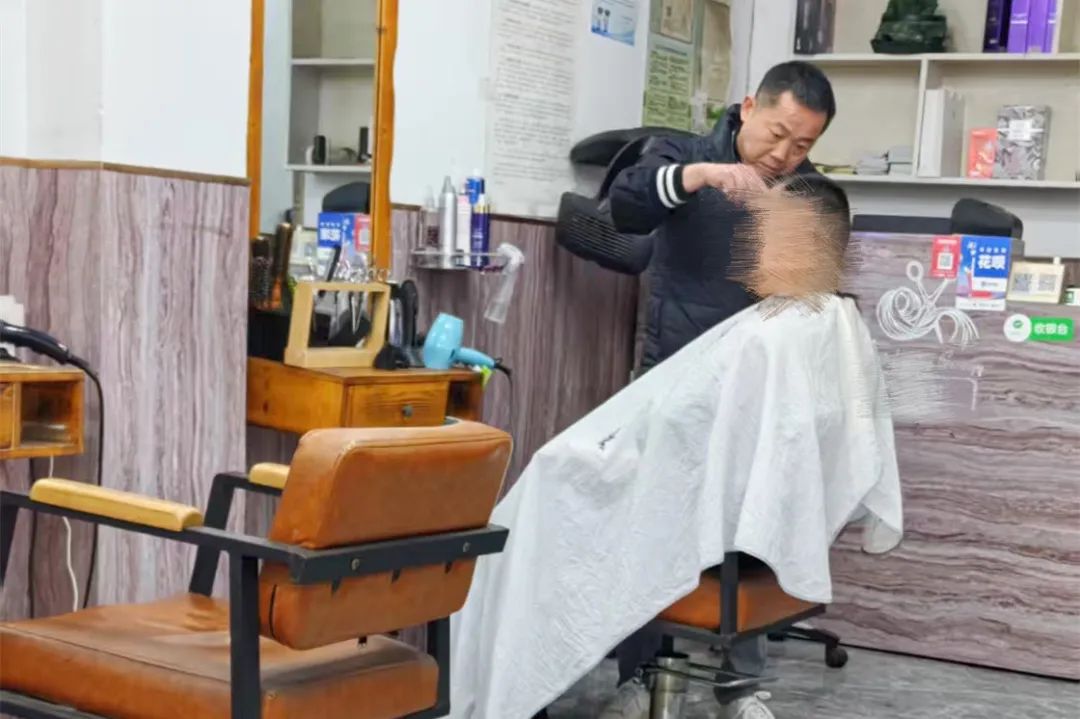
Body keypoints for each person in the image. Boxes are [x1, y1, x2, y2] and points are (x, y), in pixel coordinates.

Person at [600, 61, 838, 719]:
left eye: (802, 145)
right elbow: (625, 205)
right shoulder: (681, 154)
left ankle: (740, 685)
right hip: (673, 378)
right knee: (653, 531)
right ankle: (638, 676)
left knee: (752, 535)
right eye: (778, 134)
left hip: (759, 394)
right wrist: (700, 176)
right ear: (749, 107)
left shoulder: (809, 192)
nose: (784, 155)